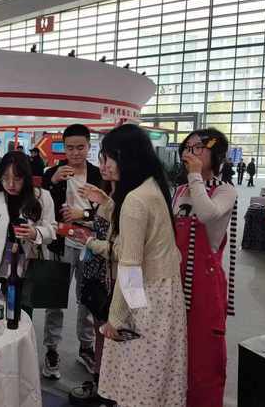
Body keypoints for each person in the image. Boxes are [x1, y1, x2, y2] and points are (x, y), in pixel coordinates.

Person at [77, 124, 187, 407]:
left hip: (145, 296)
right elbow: (138, 244)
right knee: (157, 378)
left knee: (137, 379)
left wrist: (115, 319)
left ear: (126, 157)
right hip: (163, 294)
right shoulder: (152, 186)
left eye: (108, 157)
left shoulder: (135, 199)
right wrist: (108, 204)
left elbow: (130, 266)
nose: (103, 165)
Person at [176, 128, 238, 407]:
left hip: (205, 284)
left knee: (203, 355)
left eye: (198, 147)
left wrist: (195, 176)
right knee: (175, 349)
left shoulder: (225, 190)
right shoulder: (179, 191)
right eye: (187, 147)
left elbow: (206, 213)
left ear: (217, 154)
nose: (190, 152)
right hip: (175, 278)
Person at [41, 123, 103, 379]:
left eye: (80, 147)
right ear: (63, 148)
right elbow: (42, 206)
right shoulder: (52, 173)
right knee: (55, 298)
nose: (75, 153)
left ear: (89, 146)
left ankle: (86, 347)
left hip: (90, 244)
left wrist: (84, 214)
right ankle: (51, 349)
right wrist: (53, 182)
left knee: (87, 298)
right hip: (61, 242)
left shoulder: (99, 175)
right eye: (70, 148)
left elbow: (107, 210)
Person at [0, 151, 56, 311]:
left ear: (26, 177)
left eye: (17, 179)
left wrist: (35, 233)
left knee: (20, 317)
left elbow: (52, 230)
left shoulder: (42, 197)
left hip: (25, 272)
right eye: (5, 178)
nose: (11, 184)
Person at [68, 159, 116, 407]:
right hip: (96, 270)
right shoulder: (107, 191)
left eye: (110, 160)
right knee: (100, 327)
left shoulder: (130, 197)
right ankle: (100, 380)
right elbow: (101, 223)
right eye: (103, 160)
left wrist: (89, 241)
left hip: (113, 275)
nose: (104, 166)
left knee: (111, 330)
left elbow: (120, 247)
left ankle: (107, 386)